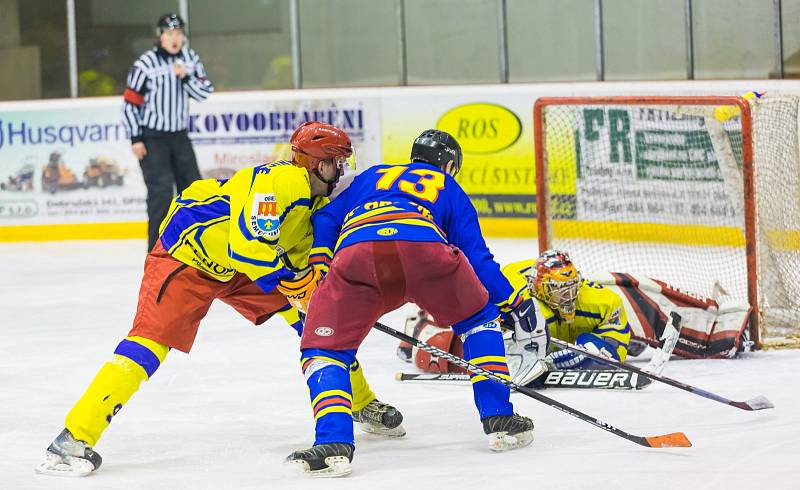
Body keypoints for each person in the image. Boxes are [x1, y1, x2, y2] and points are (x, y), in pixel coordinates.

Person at [36, 122, 403, 477]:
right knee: (148, 345)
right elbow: (250, 245)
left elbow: (294, 260)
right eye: (337, 162)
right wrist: (292, 284)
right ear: (318, 163)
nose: (341, 171)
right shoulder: (282, 180)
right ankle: (73, 437)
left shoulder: (310, 206)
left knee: (316, 326)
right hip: (188, 257)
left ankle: (359, 403)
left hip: (237, 266)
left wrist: (317, 292)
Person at [286, 129, 545, 477]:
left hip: (358, 257)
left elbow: (326, 217)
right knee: (478, 321)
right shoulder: (448, 186)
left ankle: (332, 443)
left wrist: (320, 263)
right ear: (450, 165)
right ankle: (499, 417)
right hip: (424, 252)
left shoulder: (371, 176)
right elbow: (478, 259)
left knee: (324, 348)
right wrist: (511, 300)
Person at [399, 249, 632, 378]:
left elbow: (617, 339)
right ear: (540, 289)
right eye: (558, 291)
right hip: (493, 289)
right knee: (435, 350)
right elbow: (484, 334)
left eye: (571, 288)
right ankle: (417, 323)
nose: (568, 297)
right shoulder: (518, 301)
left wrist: (596, 349)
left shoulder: (601, 300)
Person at [122, 13, 214, 251]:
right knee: (161, 196)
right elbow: (130, 104)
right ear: (160, 36)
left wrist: (185, 78)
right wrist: (136, 137)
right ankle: (157, 252)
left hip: (179, 136)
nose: (175, 39)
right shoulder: (145, 65)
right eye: (170, 34)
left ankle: (195, 248)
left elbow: (204, 92)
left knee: (195, 191)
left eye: (179, 34)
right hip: (153, 139)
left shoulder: (190, 59)